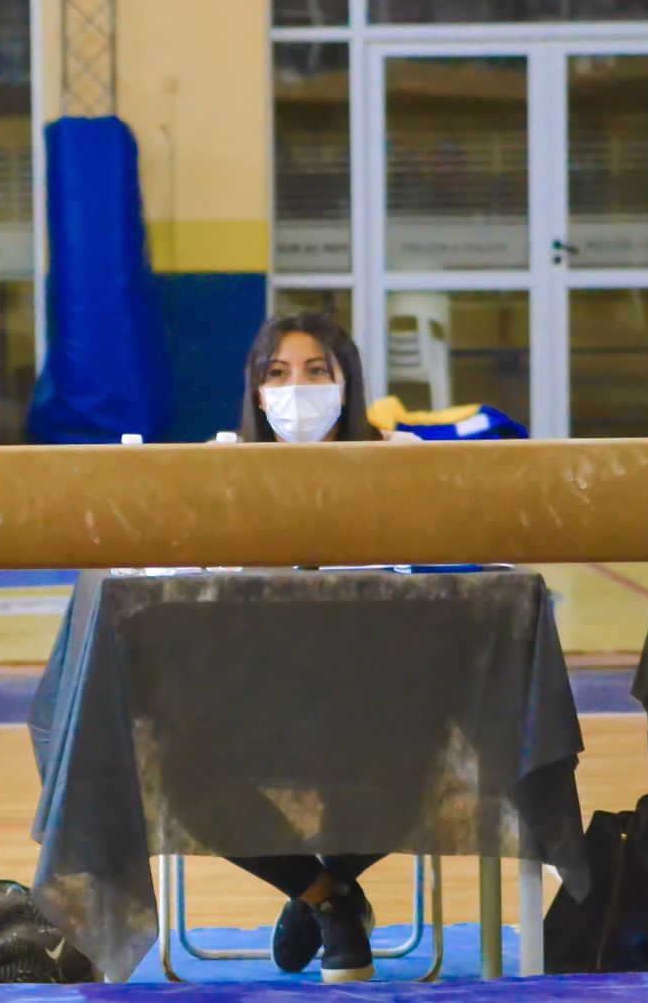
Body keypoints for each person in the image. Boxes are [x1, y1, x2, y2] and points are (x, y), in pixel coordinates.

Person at [230, 311, 407, 982]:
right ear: (255, 390)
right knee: (168, 757)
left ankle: (327, 890)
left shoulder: (401, 466)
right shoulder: (222, 476)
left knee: (460, 733)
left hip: (377, 704)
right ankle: (327, 899)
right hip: (261, 705)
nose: (295, 389)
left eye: (314, 372)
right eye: (277, 374)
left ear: (347, 383)